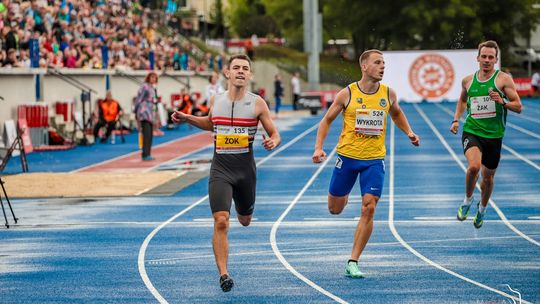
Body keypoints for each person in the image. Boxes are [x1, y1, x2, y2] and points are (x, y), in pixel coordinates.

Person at [171, 54, 280, 292]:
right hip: (220, 169)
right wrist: (187, 117)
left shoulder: (258, 103)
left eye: (245, 68)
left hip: (245, 171)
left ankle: (245, 211)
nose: (240, 71)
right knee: (221, 221)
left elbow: (275, 133)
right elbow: (212, 123)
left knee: (245, 220)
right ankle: (224, 274)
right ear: (227, 73)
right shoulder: (217, 100)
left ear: (250, 75)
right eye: (236, 68)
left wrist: (273, 141)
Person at [312, 49, 420, 278]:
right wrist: (319, 147)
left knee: (369, 207)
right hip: (347, 158)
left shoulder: (388, 93)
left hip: (374, 160)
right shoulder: (347, 94)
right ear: (364, 66)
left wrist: (409, 132)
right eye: (377, 62)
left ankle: (353, 261)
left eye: (383, 63)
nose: (382, 66)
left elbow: (397, 114)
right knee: (335, 209)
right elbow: (326, 121)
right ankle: (346, 193)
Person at [450, 40, 522, 229]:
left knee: (488, 178)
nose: (487, 60)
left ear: (496, 59)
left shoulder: (503, 80)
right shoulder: (468, 80)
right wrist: (456, 119)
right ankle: (467, 200)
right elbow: (462, 100)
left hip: (494, 136)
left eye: (491, 57)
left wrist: (502, 102)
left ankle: (481, 209)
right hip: (472, 130)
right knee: (473, 167)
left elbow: (518, 106)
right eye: (484, 56)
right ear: (478, 58)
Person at [134, 72, 158, 161]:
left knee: (150, 134)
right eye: (152, 77)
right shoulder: (145, 86)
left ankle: (148, 153)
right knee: (146, 134)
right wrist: (136, 110)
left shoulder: (152, 88)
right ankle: (145, 154)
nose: (154, 79)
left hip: (150, 112)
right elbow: (139, 99)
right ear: (148, 78)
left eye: (155, 78)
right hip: (144, 111)